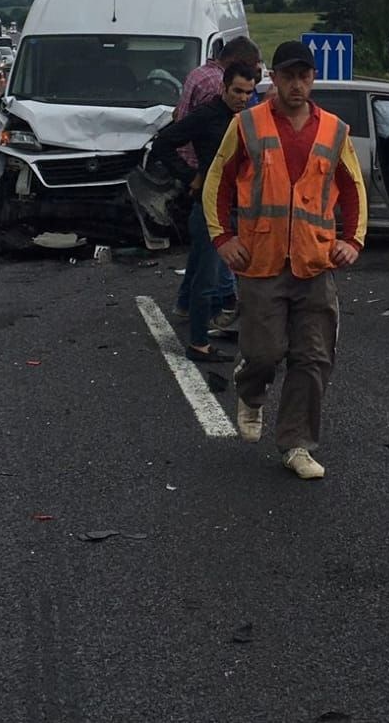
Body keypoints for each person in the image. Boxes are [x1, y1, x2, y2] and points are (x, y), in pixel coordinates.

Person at [204, 40, 367, 480]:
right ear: (272, 79)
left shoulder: (334, 130)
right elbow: (218, 182)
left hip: (314, 263)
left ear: (313, 79)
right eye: (288, 76)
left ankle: (297, 444)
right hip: (262, 261)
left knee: (313, 358)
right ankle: (251, 388)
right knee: (264, 352)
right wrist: (223, 239)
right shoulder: (247, 125)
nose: (297, 85)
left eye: (304, 76)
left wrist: (352, 239)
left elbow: (353, 189)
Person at [151, 59, 260, 362]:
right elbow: (162, 143)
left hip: (239, 206)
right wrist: (191, 175)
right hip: (210, 207)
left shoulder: (248, 118)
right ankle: (198, 343)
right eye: (237, 91)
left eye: (248, 93)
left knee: (205, 270)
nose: (242, 98)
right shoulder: (207, 116)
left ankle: (192, 316)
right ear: (224, 88)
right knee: (207, 276)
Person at [172, 37, 262, 321]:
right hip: (210, 175)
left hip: (194, 170)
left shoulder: (197, 74)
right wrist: (197, 174)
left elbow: (179, 119)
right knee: (219, 244)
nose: (245, 93)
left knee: (203, 246)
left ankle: (186, 303)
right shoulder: (218, 89)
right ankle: (225, 302)